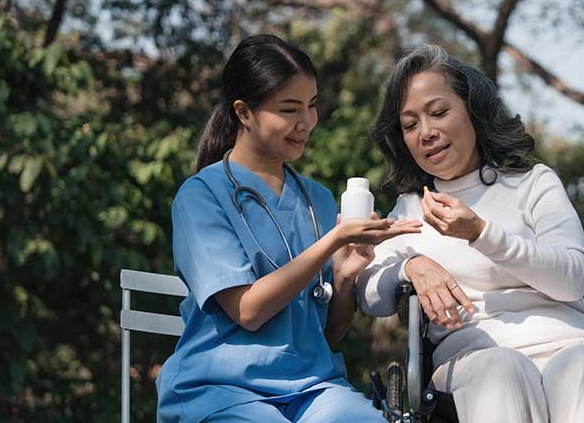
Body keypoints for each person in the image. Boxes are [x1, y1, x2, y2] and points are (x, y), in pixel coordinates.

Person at [359, 44, 584, 423]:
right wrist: (411, 266)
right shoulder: (413, 208)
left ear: (473, 111)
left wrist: (480, 233)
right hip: (473, 359)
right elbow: (369, 294)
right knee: (501, 370)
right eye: (410, 125)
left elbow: (573, 279)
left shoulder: (533, 183)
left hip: (574, 343)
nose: (426, 132)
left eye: (439, 112)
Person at [156, 34, 422, 423]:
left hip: (311, 388)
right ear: (244, 113)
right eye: (289, 109)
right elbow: (248, 311)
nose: (306, 123)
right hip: (222, 390)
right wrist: (333, 241)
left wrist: (346, 279)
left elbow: (324, 337)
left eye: (312, 106)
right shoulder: (201, 197)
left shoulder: (317, 200)